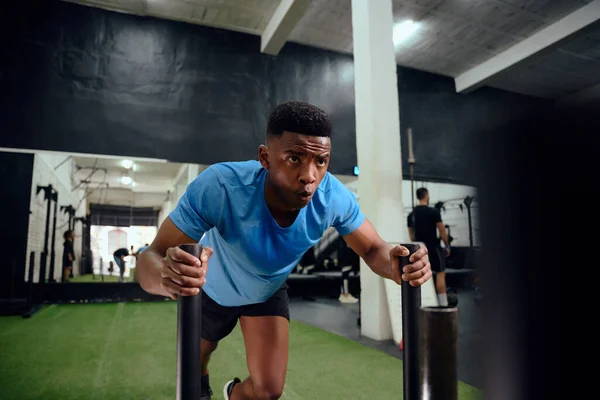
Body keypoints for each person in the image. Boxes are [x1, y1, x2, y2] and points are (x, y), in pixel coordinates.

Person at [136, 101, 432, 400]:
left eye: (321, 161)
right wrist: (166, 276)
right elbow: (152, 255)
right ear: (265, 157)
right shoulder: (220, 186)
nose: (309, 175)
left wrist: (393, 264)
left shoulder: (331, 197)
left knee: (267, 392)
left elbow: (372, 248)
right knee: (193, 367)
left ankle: (233, 394)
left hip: (266, 291)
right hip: (210, 287)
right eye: (294, 158)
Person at [407, 187, 451, 306]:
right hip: (434, 248)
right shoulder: (434, 212)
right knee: (440, 274)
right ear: (426, 196)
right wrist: (447, 246)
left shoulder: (411, 215)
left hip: (419, 249)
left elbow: (411, 236)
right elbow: (442, 231)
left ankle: (423, 303)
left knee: (421, 275)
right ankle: (443, 305)